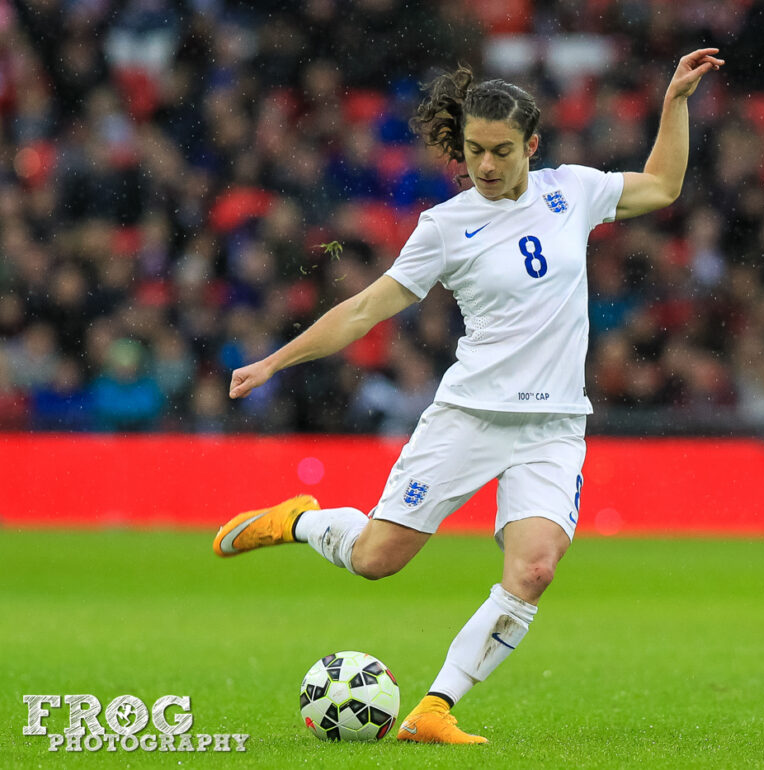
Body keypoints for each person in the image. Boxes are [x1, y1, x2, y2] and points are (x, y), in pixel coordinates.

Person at [212, 48, 724, 745]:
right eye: (475, 150)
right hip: (468, 418)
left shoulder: (571, 191)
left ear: (530, 147)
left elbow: (662, 187)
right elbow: (363, 310)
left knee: (536, 568)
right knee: (375, 560)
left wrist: (674, 103)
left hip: (553, 425)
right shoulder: (445, 227)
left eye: (501, 151)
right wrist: (275, 360)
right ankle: (299, 521)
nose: (485, 165)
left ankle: (435, 707)